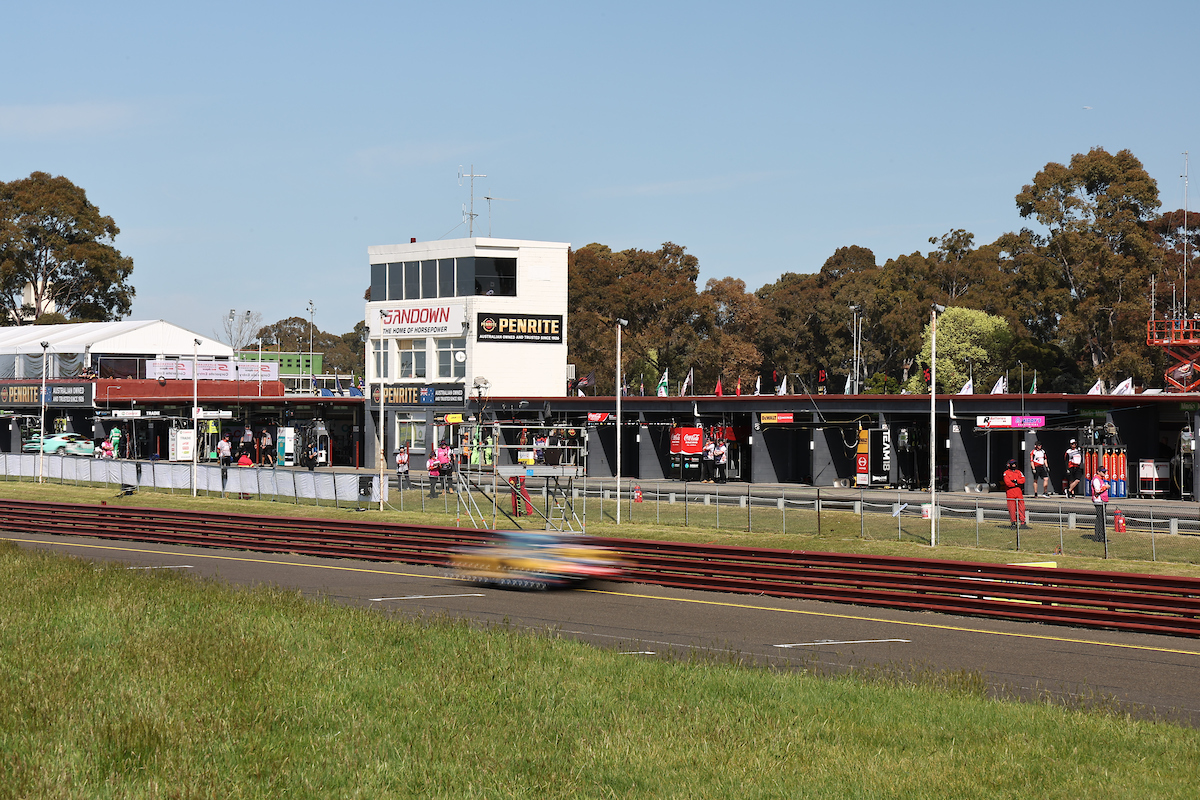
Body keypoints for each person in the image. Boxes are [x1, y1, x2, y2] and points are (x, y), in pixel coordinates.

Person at [1002, 458, 1027, 528]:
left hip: (1018, 491)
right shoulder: (1006, 473)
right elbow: (1008, 483)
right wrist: (1015, 483)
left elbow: (1023, 480)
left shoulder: (1018, 472)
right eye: (1012, 464)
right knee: (1012, 508)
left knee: (1022, 507)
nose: (1014, 465)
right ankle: (1013, 522)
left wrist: (1016, 481)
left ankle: (1023, 522)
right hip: (1010, 492)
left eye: (1015, 464)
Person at [1092, 465, 1110, 542]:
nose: (1104, 473)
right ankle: (1098, 536)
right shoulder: (1096, 480)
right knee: (1100, 519)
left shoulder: (1101, 479)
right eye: (1103, 472)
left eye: (1105, 471)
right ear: (1098, 472)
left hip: (1103, 500)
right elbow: (1097, 490)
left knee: (1103, 519)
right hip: (1099, 501)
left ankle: (1102, 536)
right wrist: (1106, 487)